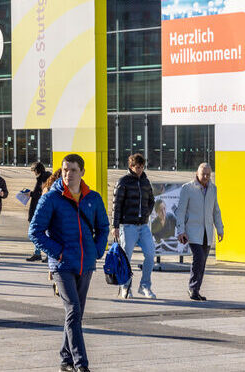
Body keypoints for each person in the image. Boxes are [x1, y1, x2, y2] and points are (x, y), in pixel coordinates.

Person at [29, 154, 109, 372]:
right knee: (73, 309)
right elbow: (34, 232)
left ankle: (65, 359)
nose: (68, 173)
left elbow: (103, 227)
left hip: (85, 264)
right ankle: (81, 363)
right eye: (65, 169)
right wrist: (58, 252)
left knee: (76, 314)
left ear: (82, 172)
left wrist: (97, 251)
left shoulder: (93, 198)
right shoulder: (51, 198)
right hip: (62, 265)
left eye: (73, 169)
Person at [111, 153, 156, 299]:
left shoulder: (145, 182)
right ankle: (125, 287)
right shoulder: (123, 181)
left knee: (150, 254)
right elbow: (116, 205)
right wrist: (115, 225)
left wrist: (146, 214)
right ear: (131, 166)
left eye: (142, 167)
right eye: (137, 167)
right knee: (126, 258)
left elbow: (151, 200)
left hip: (143, 226)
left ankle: (145, 286)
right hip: (127, 226)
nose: (140, 170)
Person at [177, 163, 224, 301]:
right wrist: (181, 230)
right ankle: (193, 288)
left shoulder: (213, 188)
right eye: (203, 174)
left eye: (208, 175)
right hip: (192, 231)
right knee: (198, 258)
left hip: (207, 231)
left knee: (202, 262)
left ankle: (196, 290)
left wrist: (220, 229)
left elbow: (216, 210)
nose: (206, 177)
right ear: (197, 173)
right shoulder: (187, 188)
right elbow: (180, 211)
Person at [27, 161, 52, 262]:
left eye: (34, 171)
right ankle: (37, 252)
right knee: (38, 231)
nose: (34, 174)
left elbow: (43, 194)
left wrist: (31, 194)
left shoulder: (44, 179)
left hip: (42, 209)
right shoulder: (44, 178)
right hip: (39, 208)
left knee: (42, 232)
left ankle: (47, 254)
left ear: (37, 171)